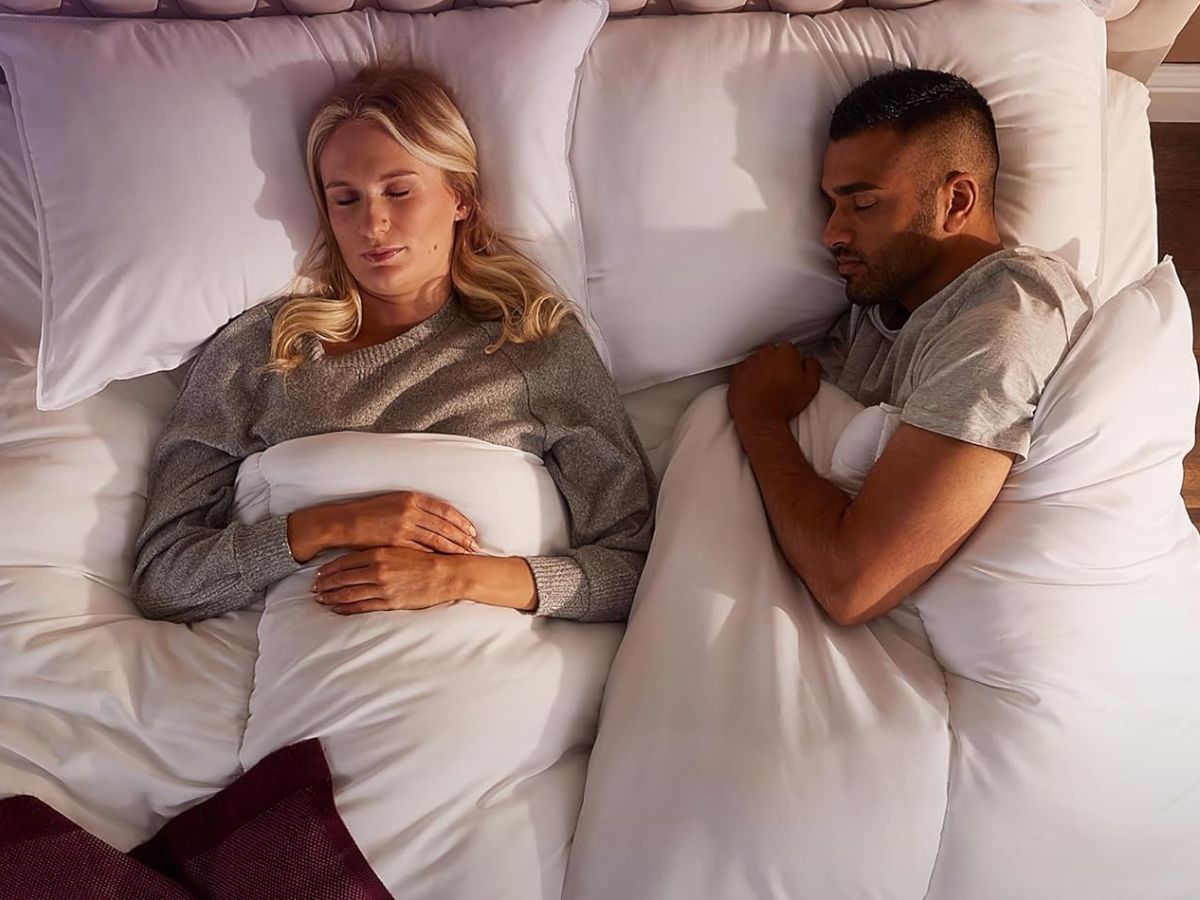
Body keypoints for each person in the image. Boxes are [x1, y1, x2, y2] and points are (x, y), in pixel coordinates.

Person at [133, 66, 655, 624]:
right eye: (345, 200)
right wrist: (330, 525)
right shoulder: (264, 351)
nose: (373, 224)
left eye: (398, 191)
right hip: (316, 690)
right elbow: (164, 579)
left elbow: (634, 571)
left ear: (460, 197)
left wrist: (458, 577)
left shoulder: (534, 344)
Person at [727, 68, 1093, 626]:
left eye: (863, 204)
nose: (831, 234)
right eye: (830, 204)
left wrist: (759, 420)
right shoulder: (882, 306)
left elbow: (856, 584)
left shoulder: (1001, 325)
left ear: (956, 200)